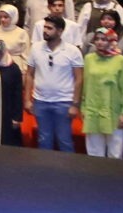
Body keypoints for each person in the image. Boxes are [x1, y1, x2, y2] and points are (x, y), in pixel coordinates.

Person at [25, 15, 83, 152]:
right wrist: (27, 99)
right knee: (43, 139)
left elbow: (79, 79)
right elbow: (29, 74)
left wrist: (75, 104)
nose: (45, 31)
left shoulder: (72, 51)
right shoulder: (35, 48)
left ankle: (67, 166)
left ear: (60, 31)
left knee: (64, 140)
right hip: (40, 101)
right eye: (44, 27)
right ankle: (45, 166)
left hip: (63, 102)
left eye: (49, 28)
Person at [80, 29, 123, 158]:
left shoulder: (121, 60)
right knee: (94, 153)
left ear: (111, 41)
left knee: (115, 154)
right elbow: (85, 84)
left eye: (103, 39)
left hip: (114, 112)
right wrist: (83, 107)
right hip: (92, 110)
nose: (99, 42)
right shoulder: (89, 58)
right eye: (97, 39)